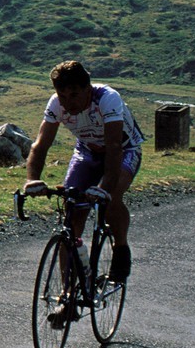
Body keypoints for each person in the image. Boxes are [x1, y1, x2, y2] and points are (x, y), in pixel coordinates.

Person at [21, 60, 144, 324]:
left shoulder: (107, 99)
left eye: (74, 94)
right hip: (87, 151)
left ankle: (121, 249)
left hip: (122, 151)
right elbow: (40, 146)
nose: (68, 102)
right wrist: (32, 180)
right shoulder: (56, 104)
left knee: (110, 200)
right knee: (71, 221)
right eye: (63, 95)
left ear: (88, 88)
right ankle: (69, 295)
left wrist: (103, 189)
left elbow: (113, 148)